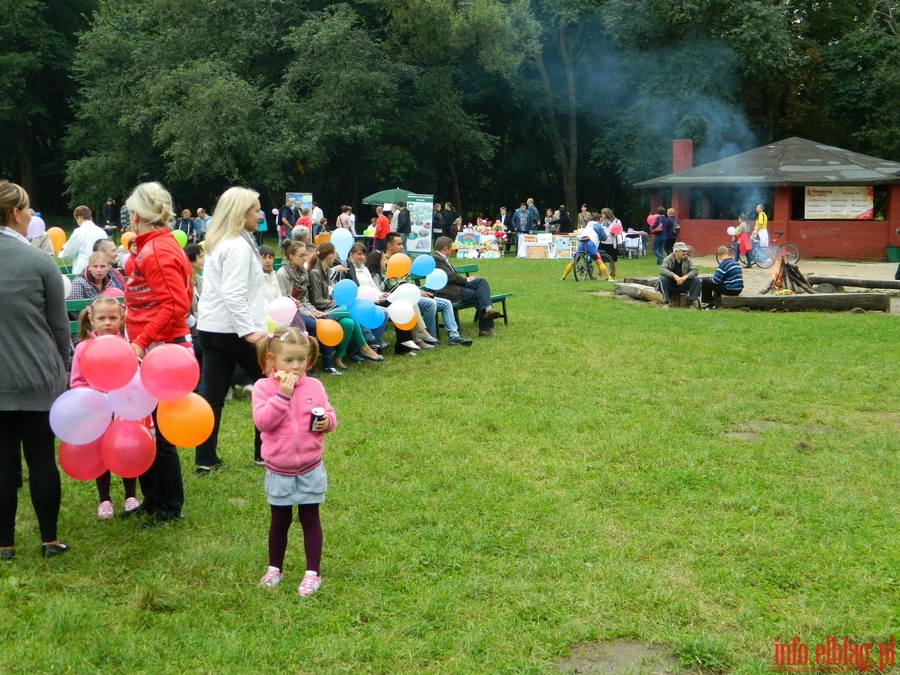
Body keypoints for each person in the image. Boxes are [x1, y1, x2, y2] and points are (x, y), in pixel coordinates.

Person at [0, 180, 70, 561]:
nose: (32, 217)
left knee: (2, 462)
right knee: (41, 458)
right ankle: (48, 540)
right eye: (28, 210)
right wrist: (65, 367)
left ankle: (5, 544)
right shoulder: (40, 261)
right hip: (38, 375)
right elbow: (59, 326)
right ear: (14, 214)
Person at [124, 182, 193, 525]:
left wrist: (142, 340)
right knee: (147, 425)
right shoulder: (152, 247)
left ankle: (169, 507)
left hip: (162, 351)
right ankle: (153, 499)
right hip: (153, 348)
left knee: (163, 433)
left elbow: (176, 305)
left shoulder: (159, 251)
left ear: (136, 216)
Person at [252, 328, 335, 596]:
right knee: (280, 521)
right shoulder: (264, 388)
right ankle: (274, 567)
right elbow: (263, 422)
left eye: (302, 359)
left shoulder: (315, 386)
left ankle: (313, 572)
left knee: (310, 519)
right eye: (289, 360)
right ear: (272, 359)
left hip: (310, 466)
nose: (296, 366)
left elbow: (330, 414)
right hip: (279, 469)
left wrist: (327, 422)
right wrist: (282, 396)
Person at [196, 187, 267, 472]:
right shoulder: (237, 246)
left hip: (211, 328)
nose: (259, 214)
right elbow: (233, 293)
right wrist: (248, 331)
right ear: (241, 213)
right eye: (255, 210)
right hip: (232, 329)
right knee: (268, 387)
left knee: (212, 396)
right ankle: (264, 453)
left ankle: (205, 459)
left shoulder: (221, 241)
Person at [70, 297, 140, 519]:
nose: (107, 323)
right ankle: (104, 500)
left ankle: (130, 495)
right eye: (101, 318)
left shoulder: (127, 347)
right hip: (97, 411)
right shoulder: (83, 348)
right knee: (101, 453)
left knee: (125, 450)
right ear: (91, 319)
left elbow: (133, 378)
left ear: (121, 319)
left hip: (123, 410)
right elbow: (77, 382)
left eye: (112, 318)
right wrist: (92, 399)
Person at [307, 242, 384, 367]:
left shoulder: (326, 271)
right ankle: (365, 347)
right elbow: (317, 301)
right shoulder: (315, 272)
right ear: (330, 255)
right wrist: (339, 302)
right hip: (320, 311)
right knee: (352, 312)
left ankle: (338, 358)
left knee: (349, 323)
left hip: (329, 308)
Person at [276, 239, 342, 375]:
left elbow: (304, 299)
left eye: (306, 255)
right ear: (291, 256)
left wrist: (313, 311)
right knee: (314, 326)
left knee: (326, 320)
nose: (306, 258)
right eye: (302, 255)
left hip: (301, 310)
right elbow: (283, 301)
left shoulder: (302, 273)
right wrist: (305, 310)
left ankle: (328, 364)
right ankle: (307, 366)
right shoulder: (282, 274)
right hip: (289, 314)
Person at [431, 236, 502, 337]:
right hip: (447, 291)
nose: (451, 251)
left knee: (481, 282)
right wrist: (466, 280)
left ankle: (488, 310)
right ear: (445, 249)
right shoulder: (435, 259)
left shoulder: (441, 258)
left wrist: (466, 280)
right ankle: (485, 329)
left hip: (454, 287)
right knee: (480, 295)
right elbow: (449, 276)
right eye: (451, 248)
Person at [59, 205, 108, 274]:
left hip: (83, 270)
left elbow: (69, 252)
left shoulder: (79, 232)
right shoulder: (102, 232)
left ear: (78, 218)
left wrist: (60, 254)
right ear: (90, 217)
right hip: (100, 269)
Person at [658, 241, 701, 307]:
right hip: (670, 286)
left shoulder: (687, 259)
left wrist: (684, 278)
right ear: (675, 252)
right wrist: (675, 276)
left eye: (685, 251)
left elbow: (695, 270)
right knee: (663, 279)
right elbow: (662, 270)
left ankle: (691, 303)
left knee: (696, 279)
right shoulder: (668, 259)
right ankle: (666, 302)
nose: (685, 253)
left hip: (682, 284)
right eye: (682, 251)